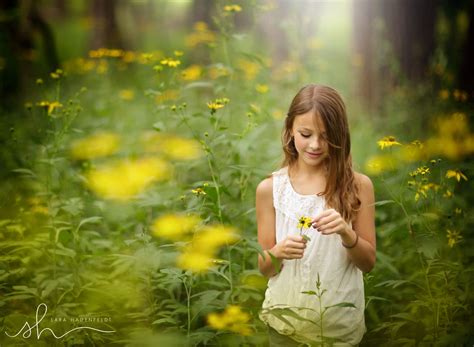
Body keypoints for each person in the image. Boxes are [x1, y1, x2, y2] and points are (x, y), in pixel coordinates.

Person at [256, 84, 376, 346]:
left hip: (338, 330)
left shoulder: (358, 187)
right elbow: (265, 267)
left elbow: (368, 263)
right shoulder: (270, 189)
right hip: (283, 327)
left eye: (326, 135)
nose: (315, 145)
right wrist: (278, 252)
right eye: (306, 134)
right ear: (289, 130)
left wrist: (346, 232)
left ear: (340, 135)